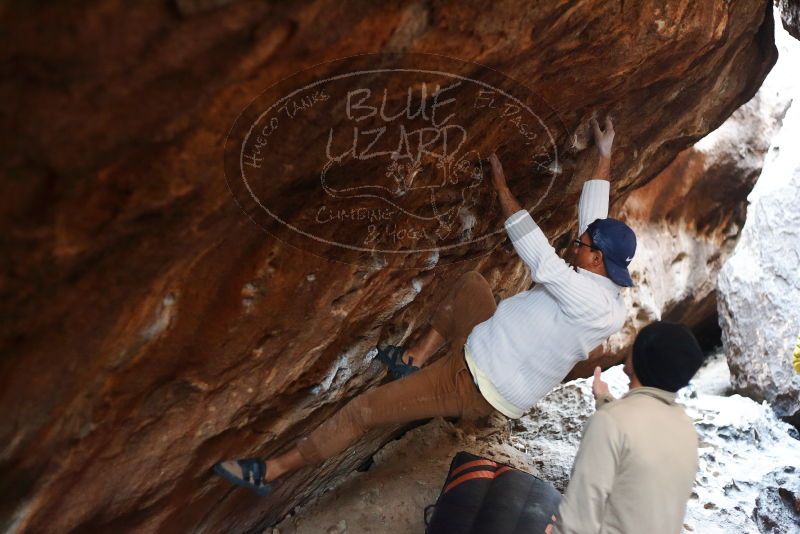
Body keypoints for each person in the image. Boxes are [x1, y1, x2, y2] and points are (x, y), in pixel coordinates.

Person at [212, 116, 638, 496]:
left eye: (580, 246)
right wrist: (604, 155)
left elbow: (542, 260)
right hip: (486, 344)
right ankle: (415, 356)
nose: (574, 244)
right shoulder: (600, 279)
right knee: (471, 286)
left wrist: (502, 186)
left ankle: (270, 471)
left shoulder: (591, 301)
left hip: (475, 382)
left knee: (362, 411)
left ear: (597, 260)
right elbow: (592, 223)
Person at [546, 321, 706, 534]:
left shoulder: (611, 422)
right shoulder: (685, 426)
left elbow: (577, 522)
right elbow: (642, 439)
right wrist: (604, 398)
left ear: (642, 357)